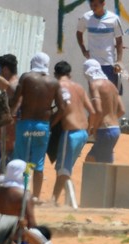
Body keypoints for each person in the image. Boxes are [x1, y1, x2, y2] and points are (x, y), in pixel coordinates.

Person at [12, 52, 63, 200]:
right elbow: (62, 108)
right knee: (38, 164)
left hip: (25, 124)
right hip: (43, 126)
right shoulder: (54, 83)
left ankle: (19, 193)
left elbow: (16, 99)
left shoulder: (26, 77)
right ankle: (35, 197)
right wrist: (50, 124)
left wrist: (10, 113)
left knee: (21, 161)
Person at [50, 61, 95, 206]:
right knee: (66, 169)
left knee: (63, 170)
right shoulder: (79, 87)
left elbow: (63, 109)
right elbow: (93, 111)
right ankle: (69, 201)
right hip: (83, 133)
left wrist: (51, 124)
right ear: (70, 74)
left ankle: (54, 200)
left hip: (70, 132)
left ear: (55, 74)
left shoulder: (58, 86)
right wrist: (90, 129)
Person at [84, 59, 124, 164]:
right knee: (101, 163)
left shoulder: (94, 85)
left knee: (91, 163)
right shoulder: (112, 86)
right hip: (115, 129)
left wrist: (93, 128)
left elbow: (98, 111)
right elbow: (122, 110)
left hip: (104, 130)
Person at [76, 0, 124, 86]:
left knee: (109, 94)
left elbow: (119, 40)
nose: (93, 7)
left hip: (109, 64)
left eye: (95, 5)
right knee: (95, 94)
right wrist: (83, 50)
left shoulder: (113, 18)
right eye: (91, 5)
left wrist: (119, 61)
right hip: (93, 64)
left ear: (103, 4)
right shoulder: (86, 17)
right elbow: (79, 33)